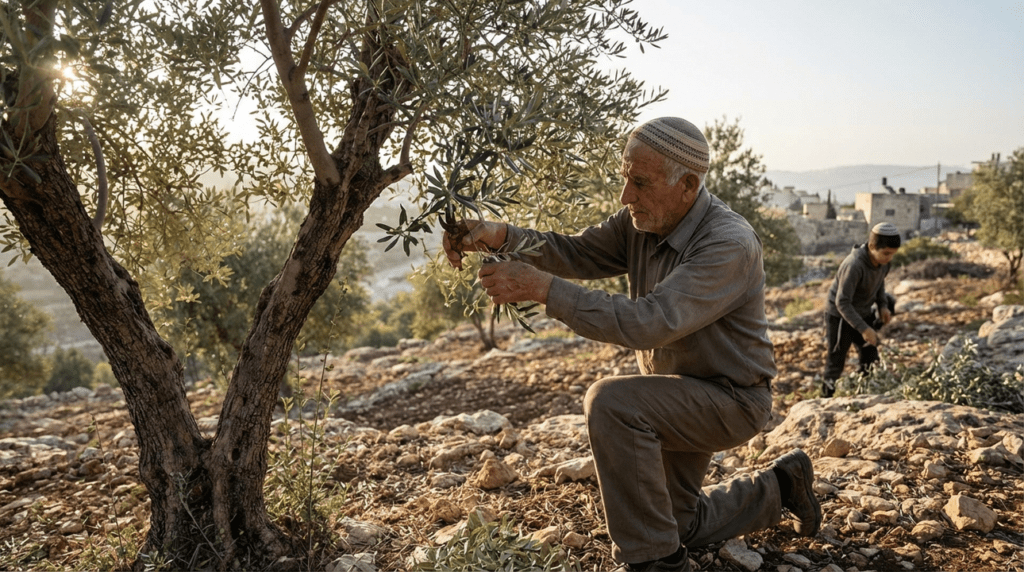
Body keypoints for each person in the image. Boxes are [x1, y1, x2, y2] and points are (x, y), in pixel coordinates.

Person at [442, 117, 821, 572]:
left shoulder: (728, 243)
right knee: (676, 525)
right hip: (672, 394)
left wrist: (543, 289)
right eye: (625, 179)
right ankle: (781, 486)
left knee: (610, 402)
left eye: (639, 183)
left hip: (731, 400)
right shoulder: (640, 219)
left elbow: (649, 323)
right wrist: (502, 235)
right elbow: (578, 253)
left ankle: (655, 565)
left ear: (688, 185)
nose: (626, 197)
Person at [821, 223, 902, 397]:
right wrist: (865, 329)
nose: (889, 258)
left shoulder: (883, 262)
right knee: (836, 360)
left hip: (862, 312)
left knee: (870, 357)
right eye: (886, 253)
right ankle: (825, 399)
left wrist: (882, 305)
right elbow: (842, 302)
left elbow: (880, 282)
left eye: (892, 254)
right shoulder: (854, 265)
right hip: (840, 316)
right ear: (872, 246)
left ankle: (863, 394)